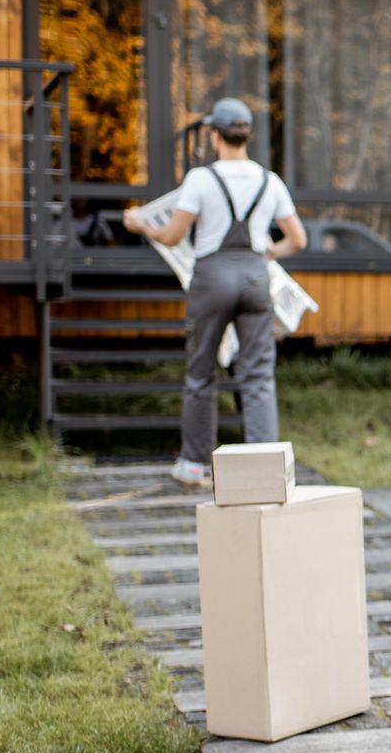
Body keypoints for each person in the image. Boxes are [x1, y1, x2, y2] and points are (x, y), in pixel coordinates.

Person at [123, 98, 306, 488]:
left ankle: (194, 465)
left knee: (202, 372)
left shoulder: (201, 179)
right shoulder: (269, 180)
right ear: (247, 135)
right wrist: (269, 251)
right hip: (256, 277)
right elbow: (298, 239)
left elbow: (173, 236)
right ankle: (265, 472)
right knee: (257, 375)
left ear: (214, 135)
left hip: (212, 278)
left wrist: (141, 225)